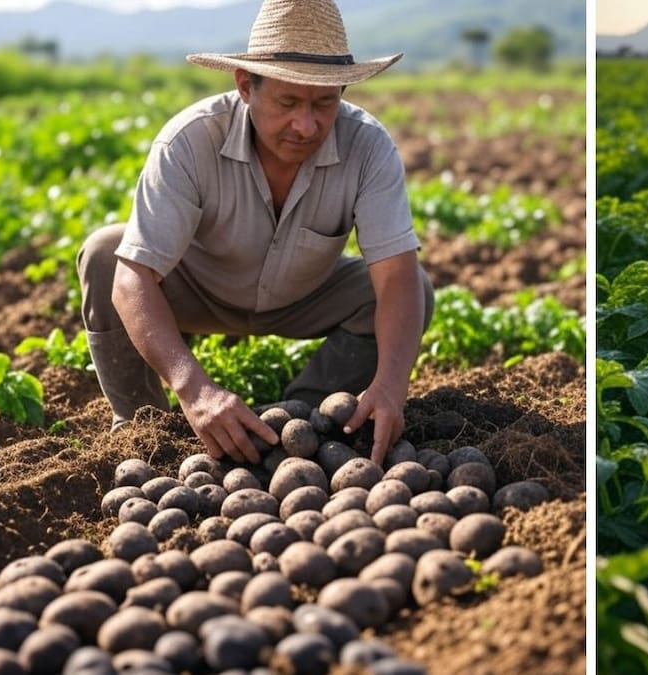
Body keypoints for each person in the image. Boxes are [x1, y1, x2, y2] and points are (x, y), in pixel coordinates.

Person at [76, 0, 433, 467]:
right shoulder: (191, 140)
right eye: (288, 103)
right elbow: (133, 278)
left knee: (413, 288)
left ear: (342, 91)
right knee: (106, 255)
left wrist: (390, 387)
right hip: (197, 292)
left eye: (324, 103)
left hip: (304, 297)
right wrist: (194, 388)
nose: (306, 125)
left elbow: (396, 276)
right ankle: (146, 431)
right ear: (246, 85)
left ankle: (299, 419)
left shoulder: (368, 147)